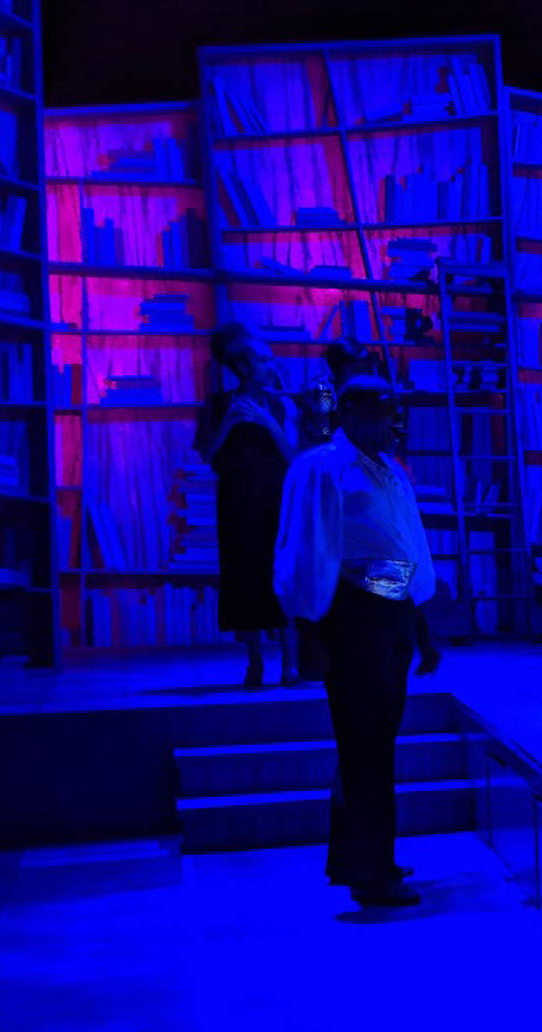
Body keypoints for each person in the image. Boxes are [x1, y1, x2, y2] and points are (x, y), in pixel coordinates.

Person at [273, 376, 436, 907]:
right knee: (363, 746)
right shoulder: (320, 468)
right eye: (385, 410)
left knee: (374, 744)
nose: (396, 420)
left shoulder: (390, 471)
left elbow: (407, 545)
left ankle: (360, 855)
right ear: (351, 412)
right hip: (350, 614)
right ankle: (373, 873)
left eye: (396, 410)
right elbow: (304, 553)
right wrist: (309, 631)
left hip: (391, 614)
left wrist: (421, 626)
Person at [194, 324, 301, 687]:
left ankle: (290, 660)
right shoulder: (219, 404)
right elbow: (209, 454)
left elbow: (293, 456)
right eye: (264, 359)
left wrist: (268, 422)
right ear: (243, 366)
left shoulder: (282, 404)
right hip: (237, 502)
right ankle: (254, 662)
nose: (272, 365)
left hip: (277, 500)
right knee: (244, 578)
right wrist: (230, 422)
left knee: (281, 576)